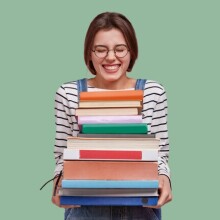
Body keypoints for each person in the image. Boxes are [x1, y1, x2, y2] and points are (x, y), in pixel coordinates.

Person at [52, 12, 172, 220]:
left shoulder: (153, 91)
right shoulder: (68, 93)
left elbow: (160, 153)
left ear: (131, 52)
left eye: (120, 49)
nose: (110, 57)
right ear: (89, 53)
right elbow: (62, 155)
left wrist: (164, 177)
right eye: (100, 50)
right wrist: (57, 184)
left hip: (141, 207)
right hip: (84, 208)